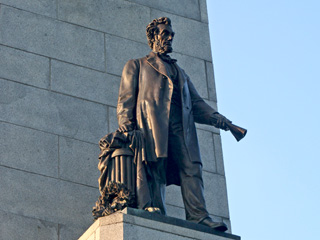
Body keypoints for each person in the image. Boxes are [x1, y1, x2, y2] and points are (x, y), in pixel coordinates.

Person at [117, 17, 231, 232]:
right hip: (151, 124)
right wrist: (126, 123)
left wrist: (221, 121)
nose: (169, 37)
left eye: (171, 34)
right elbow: (126, 99)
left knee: (192, 168)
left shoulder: (181, 72)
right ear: (153, 37)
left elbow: (197, 103)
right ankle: (151, 207)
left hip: (182, 128)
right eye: (165, 33)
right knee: (154, 166)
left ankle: (199, 216)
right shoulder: (137, 65)